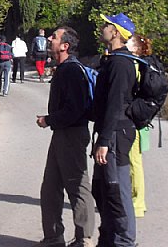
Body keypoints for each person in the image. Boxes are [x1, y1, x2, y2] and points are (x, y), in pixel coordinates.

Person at [36, 27, 95, 247]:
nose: (49, 39)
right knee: (50, 187)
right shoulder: (63, 69)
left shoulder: (72, 71)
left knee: (77, 186)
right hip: (62, 134)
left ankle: (84, 239)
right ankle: (53, 237)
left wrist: (48, 120)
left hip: (72, 134)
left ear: (65, 46)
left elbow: (75, 110)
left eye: (54, 37)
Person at [91, 13, 138, 247]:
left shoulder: (121, 64)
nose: (103, 27)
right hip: (111, 132)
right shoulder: (112, 60)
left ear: (116, 32)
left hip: (117, 134)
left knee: (116, 189)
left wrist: (105, 141)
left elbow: (116, 105)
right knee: (102, 189)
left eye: (107, 25)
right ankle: (108, 238)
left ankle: (125, 241)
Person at [125, 33, 152, 218]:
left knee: (134, 163)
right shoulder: (141, 65)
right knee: (135, 162)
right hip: (140, 119)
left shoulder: (134, 65)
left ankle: (138, 203)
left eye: (129, 42)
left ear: (136, 49)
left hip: (134, 120)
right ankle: (136, 201)